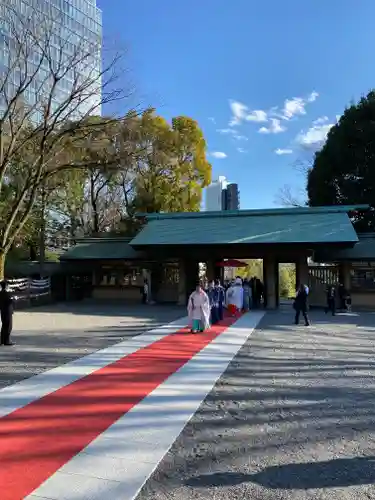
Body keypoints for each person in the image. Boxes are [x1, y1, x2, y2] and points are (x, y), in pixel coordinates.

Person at [0, 280, 14, 346]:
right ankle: (7, 341)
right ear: (6, 286)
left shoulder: (0, 293)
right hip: (7, 311)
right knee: (8, 326)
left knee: (4, 326)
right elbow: (9, 301)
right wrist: (13, 299)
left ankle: (2, 340)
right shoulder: (6, 293)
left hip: (3, 311)